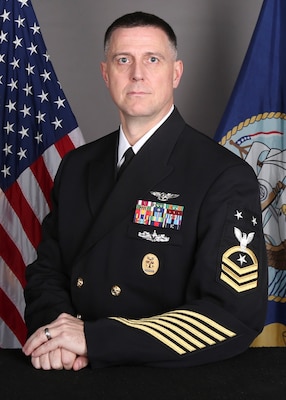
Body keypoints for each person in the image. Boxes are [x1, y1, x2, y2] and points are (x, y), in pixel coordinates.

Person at [23, 11, 268, 371]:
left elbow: (232, 314)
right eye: (124, 60)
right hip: (73, 371)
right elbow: (47, 270)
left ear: (176, 72)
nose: (137, 73)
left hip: (165, 378)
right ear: (106, 73)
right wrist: (56, 333)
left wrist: (95, 339)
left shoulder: (222, 175)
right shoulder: (77, 166)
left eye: (152, 59)